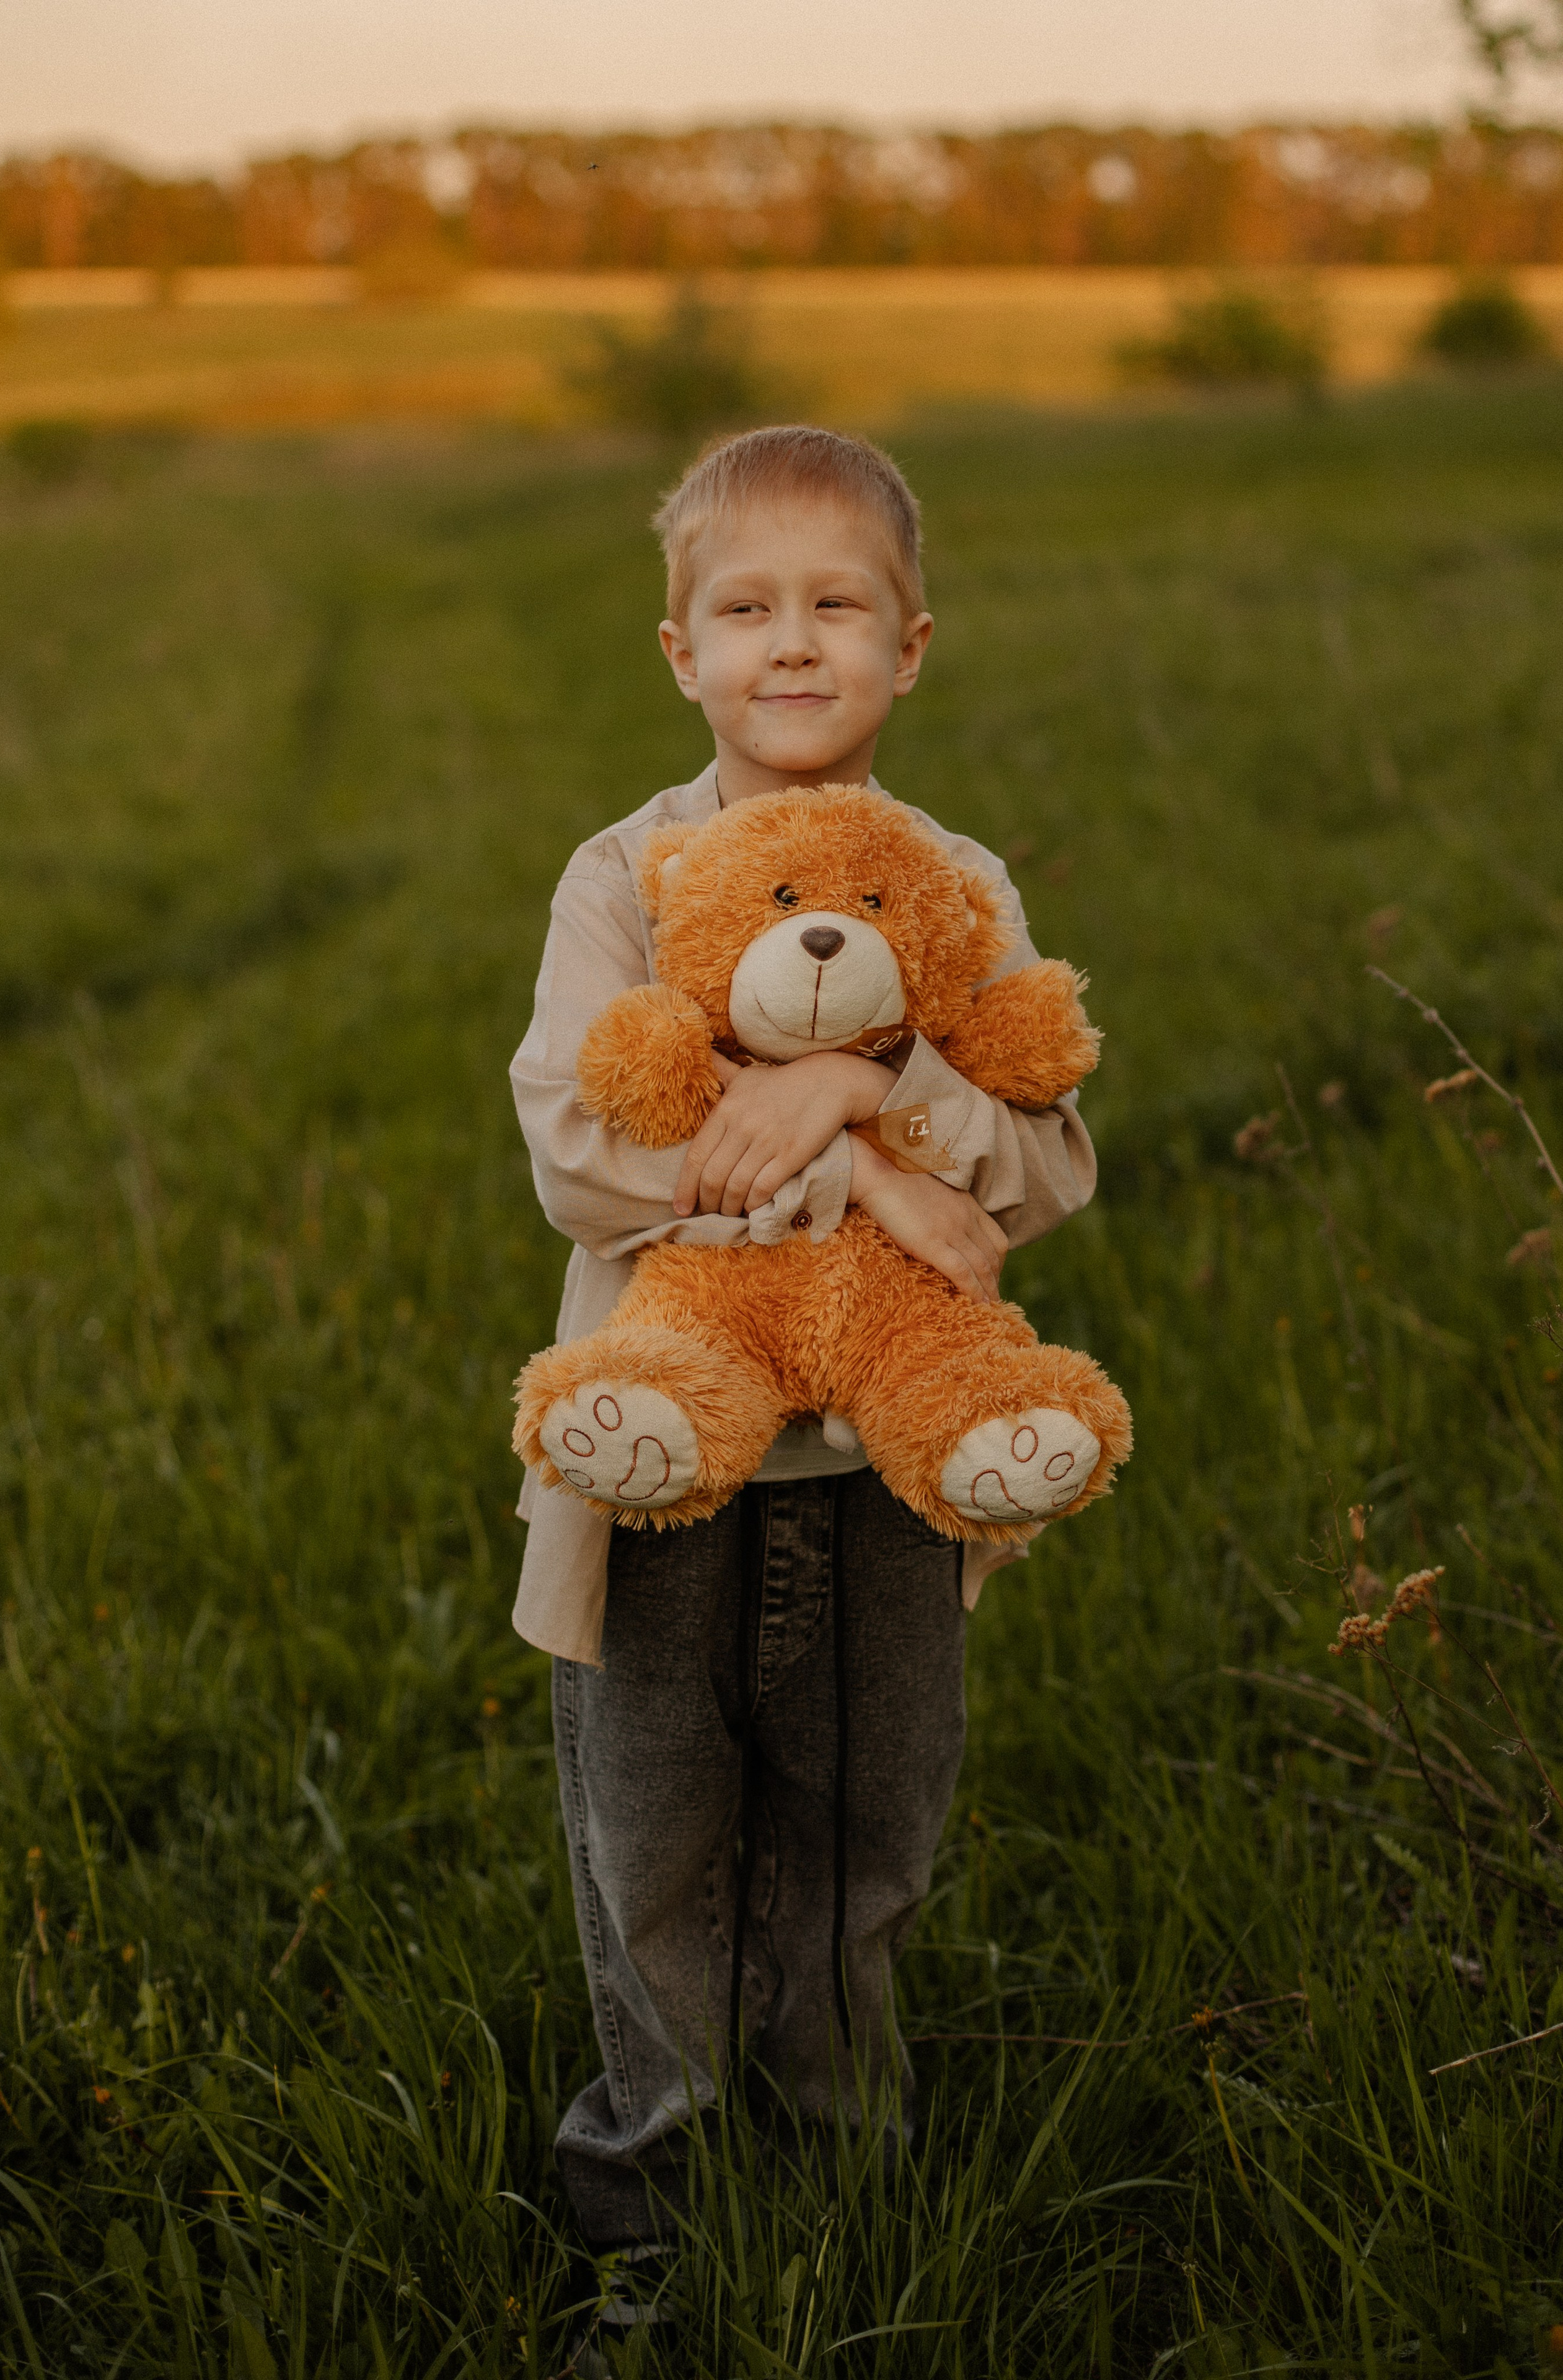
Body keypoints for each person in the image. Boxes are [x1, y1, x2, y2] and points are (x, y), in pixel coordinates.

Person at [509, 425, 1097, 2367]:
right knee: (654, 1842)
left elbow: (1046, 1159)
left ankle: (847, 2188)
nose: (792, 640)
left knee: (866, 1829)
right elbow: (583, 1151)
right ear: (676, 647)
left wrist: (869, 1085)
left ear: (911, 647)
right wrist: (870, 1175)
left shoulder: (951, 886)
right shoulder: (625, 875)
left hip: (882, 1475)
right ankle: (653, 2231)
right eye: (745, 605)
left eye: (837, 604)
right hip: (664, 1455)